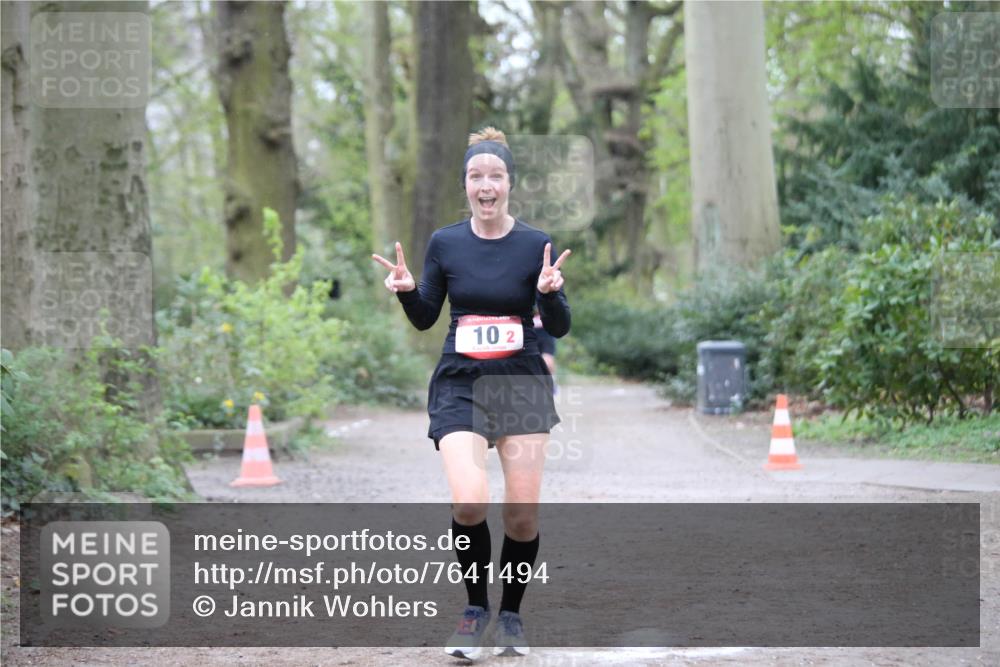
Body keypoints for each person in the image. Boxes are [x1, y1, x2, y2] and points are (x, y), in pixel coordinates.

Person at [372, 127, 571, 660]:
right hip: (461, 384)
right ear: (466, 185)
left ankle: (510, 617)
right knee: (469, 501)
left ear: (509, 183)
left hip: (521, 384)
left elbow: (561, 323)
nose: (486, 185)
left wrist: (550, 295)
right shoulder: (446, 243)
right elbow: (424, 318)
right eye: (476, 176)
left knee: (522, 516)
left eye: (496, 175)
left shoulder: (535, 244)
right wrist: (408, 290)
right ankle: (474, 610)